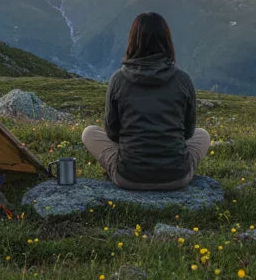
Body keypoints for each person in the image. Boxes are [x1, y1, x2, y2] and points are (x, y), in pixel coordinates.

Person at [81, 12, 210, 190]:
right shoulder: (183, 79)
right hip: (177, 177)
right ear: (167, 41)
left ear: (133, 41)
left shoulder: (118, 79)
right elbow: (188, 133)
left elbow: (112, 132)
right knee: (202, 134)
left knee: (89, 132)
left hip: (128, 177)